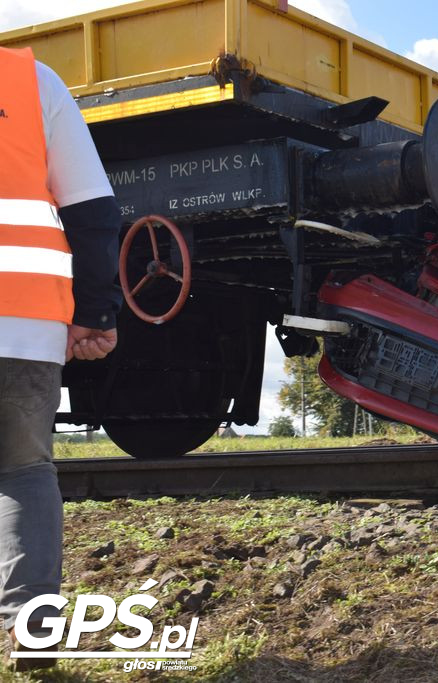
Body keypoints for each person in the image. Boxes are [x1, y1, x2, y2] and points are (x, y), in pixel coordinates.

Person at [0, 46, 121, 671]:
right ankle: (34, 630)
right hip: (20, 321)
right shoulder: (30, 81)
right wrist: (97, 313)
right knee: (22, 471)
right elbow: (92, 212)